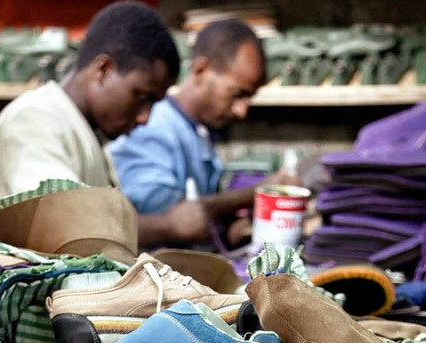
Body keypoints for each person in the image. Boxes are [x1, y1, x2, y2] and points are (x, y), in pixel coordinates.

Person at [108, 19, 300, 250]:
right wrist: (259, 191)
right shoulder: (154, 127)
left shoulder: (197, 130)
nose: (242, 111)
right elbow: (167, 218)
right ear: (201, 70)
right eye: (237, 94)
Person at [0, 0, 179, 206]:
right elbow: (64, 221)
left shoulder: (86, 133)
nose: (145, 118)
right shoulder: (34, 121)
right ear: (104, 70)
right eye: (142, 97)